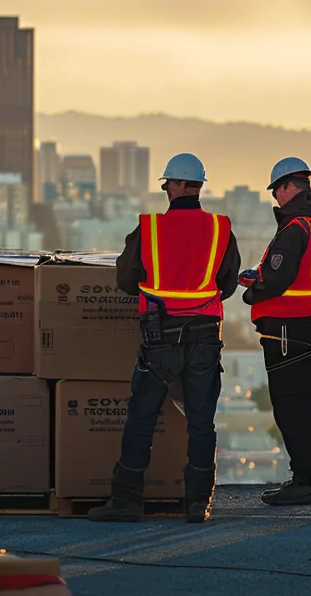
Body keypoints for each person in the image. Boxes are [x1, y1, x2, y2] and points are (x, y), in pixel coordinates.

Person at [89, 153, 241, 524]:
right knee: (201, 422)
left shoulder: (150, 230)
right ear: (199, 186)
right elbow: (228, 283)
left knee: (142, 417)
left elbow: (125, 281)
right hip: (205, 337)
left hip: (160, 338)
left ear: (172, 186)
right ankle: (197, 503)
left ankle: (125, 501)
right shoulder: (221, 229)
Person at [240, 157, 311, 506]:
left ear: (286, 187)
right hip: (309, 324)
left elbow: (278, 277)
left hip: (286, 327)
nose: (276, 199)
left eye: (276, 191)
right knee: (309, 404)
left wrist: (251, 289)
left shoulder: (294, 227)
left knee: (291, 406)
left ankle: (302, 481)